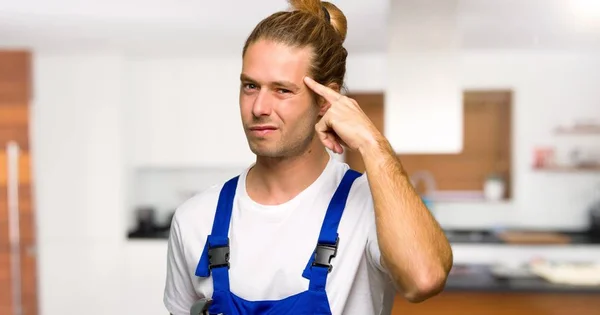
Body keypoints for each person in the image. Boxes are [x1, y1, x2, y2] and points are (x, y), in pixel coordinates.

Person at [163, 0, 453, 314]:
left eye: (282, 90)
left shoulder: (370, 208)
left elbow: (424, 280)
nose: (259, 107)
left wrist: (373, 143)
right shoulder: (195, 219)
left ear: (326, 100)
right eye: (250, 86)